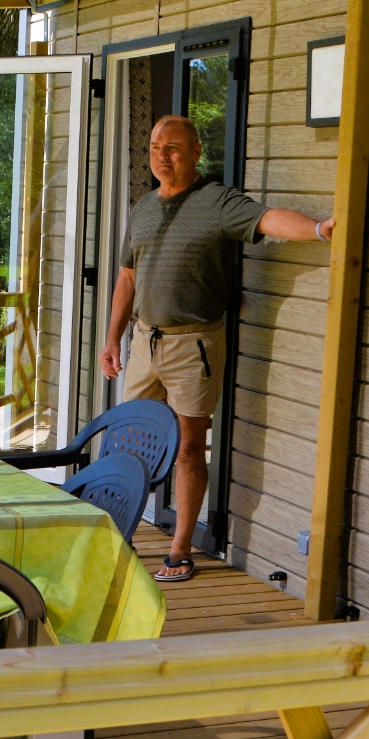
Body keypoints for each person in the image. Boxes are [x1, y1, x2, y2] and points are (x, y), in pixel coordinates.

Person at [98, 115, 334, 582]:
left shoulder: (217, 201)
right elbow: (128, 276)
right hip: (145, 341)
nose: (162, 156)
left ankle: (180, 547)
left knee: (188, 446)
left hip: (195, 345)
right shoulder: (144, 207)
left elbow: (268, 219)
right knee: (130, 442)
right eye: (154, 147)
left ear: (196, 151)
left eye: (173, 148)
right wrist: (112, 337)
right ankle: (116, 534)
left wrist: (320, 229)